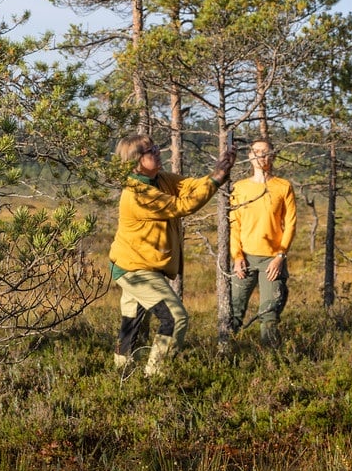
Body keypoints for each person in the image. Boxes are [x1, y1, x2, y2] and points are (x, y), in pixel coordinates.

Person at [109, 134, 234, 377]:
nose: (157, 151)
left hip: (138, 265)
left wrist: (218, 172)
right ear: (135, 161)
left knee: (131, 321)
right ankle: (155, 377)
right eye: (149, 151)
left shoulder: (159, 179)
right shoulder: (137, 193)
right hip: (134, 268)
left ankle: (121, 375)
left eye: (155, 147)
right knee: (175, 319)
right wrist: (217, 179)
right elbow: (181, 206)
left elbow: (188, 187)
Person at [228, 139, 297, 347]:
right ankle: (226, 354)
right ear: (249, 155)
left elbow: (291, 224)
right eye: (256, 151)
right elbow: (234, 225)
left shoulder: (283, 187)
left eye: (265, 152)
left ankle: (270, 360)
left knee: (269, 314)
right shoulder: (239, 188)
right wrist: (237, 257)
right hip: (245, 259)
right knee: (233, 311)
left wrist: (280, 256)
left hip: (272, 260)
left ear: (273, 156)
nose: (260, 156)